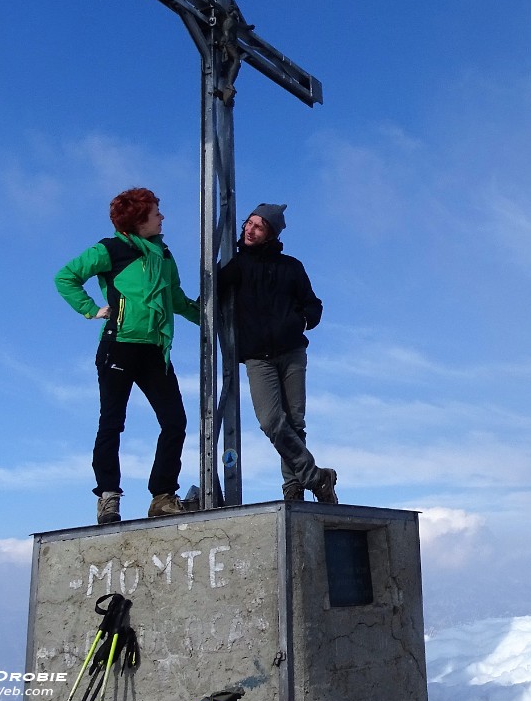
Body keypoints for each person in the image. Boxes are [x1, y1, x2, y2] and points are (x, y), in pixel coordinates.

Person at [55, 187, 200, 524]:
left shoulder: (163, 254)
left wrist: (208, 318)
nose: (162, 217)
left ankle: (162, 496)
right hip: (119, 346)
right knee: (112, 422)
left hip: (155, 350)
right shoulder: (110, 249)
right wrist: (92, 309)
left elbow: (175, 299)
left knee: (175, 421)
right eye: (155, 212)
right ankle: (108, 497)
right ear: (139, 220)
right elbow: (66, 277)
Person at [219, 203, 337, 504]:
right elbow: (211, 295)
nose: (249, 229)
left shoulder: (291, 267)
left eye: (259, 226)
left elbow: (313, 304)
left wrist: (301, 321)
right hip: (258, 357)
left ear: (270, 233)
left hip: (292, 352)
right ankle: (316, 477)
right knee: (272, 421)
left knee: (295, 422)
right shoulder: (237, 265)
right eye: (249, 222)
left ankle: (292, 487)